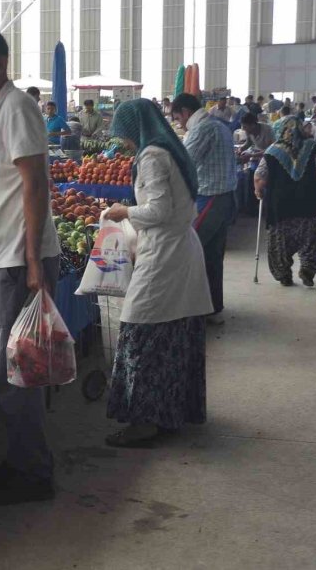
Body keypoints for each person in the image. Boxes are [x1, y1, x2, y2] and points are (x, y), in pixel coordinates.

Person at [0, 26, 61, 505]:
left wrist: (33, 260)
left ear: (2, 61)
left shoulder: (17, 107)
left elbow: (35, 184)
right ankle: (19, 458)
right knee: (4, 369)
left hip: (16, 261)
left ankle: (35, 474)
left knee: (15, 373)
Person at [101, 99, 213, 447]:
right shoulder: (169, 147)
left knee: (140, 330)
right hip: (179, 247)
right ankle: (171, 411)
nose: (126, 143)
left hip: (165, 253)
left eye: (125, 135)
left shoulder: (151, 155)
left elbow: (159, 209)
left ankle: (145, 421)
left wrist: (124, 211)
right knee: (173, 331)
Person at [172, 93, 237, 325]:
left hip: (210, 198)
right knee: (211, 255)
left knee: (185, 250)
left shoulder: (202, 129)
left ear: (186, 112)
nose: (179, 123)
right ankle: (212, 308)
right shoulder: (219, 126)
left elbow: (183, 163)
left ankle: (186, 312)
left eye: (178, 118)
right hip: (224, 198)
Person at [254, 116, 316, 286]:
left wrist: (258, 191)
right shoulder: (314, 148)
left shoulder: (272, 150)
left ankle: (283, 275)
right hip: (309, 203)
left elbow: (260, 176)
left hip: (281, 205)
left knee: (279, 241)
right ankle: (307, 269)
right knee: (312, 237)